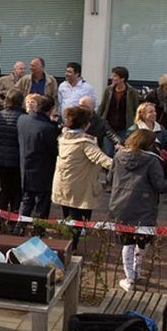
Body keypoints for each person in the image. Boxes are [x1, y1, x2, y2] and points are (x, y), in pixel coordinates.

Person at [109, 128, 167, 292]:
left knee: (126, 242)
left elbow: (109, 179)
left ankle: (129, 277)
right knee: (142, 241)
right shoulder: (152, 161)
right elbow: (161, 186)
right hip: (144, 207)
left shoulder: (118, 156)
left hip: (120, 206)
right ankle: (137, 271)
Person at [51, 105, 113, 249]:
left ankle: (64, 246)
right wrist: (123, 163)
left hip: (62, 183)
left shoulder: (62, 137)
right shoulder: (85, 143)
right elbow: (101, 159)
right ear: (86, 123)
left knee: (67, 217)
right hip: (79, 187)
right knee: (76, 221)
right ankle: (70, 250)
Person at [17, 94, 60, 227]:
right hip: (44, 170)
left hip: (25, 168)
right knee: (42, 204)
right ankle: (38, 231)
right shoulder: (49, 128)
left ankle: (19, 229)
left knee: (26, 201)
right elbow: (55, 151)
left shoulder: (22, 120)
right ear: (51, 108)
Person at [0, 89, 24, 230]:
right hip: (17, 159)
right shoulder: (22, 117)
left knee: (4, 190)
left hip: (2, 159)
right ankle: (14, 220)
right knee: (16, 191)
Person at [97, 66, 138, 155]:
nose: (112, 78)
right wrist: (98, 120)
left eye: (115, 76)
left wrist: (135, 125)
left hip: (125, 127)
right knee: (108, 152)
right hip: (109, 127)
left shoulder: (132, 92)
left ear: (122, 78)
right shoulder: (109, 90)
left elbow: (136, 109)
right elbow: (103, 106)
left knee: (122, 152)